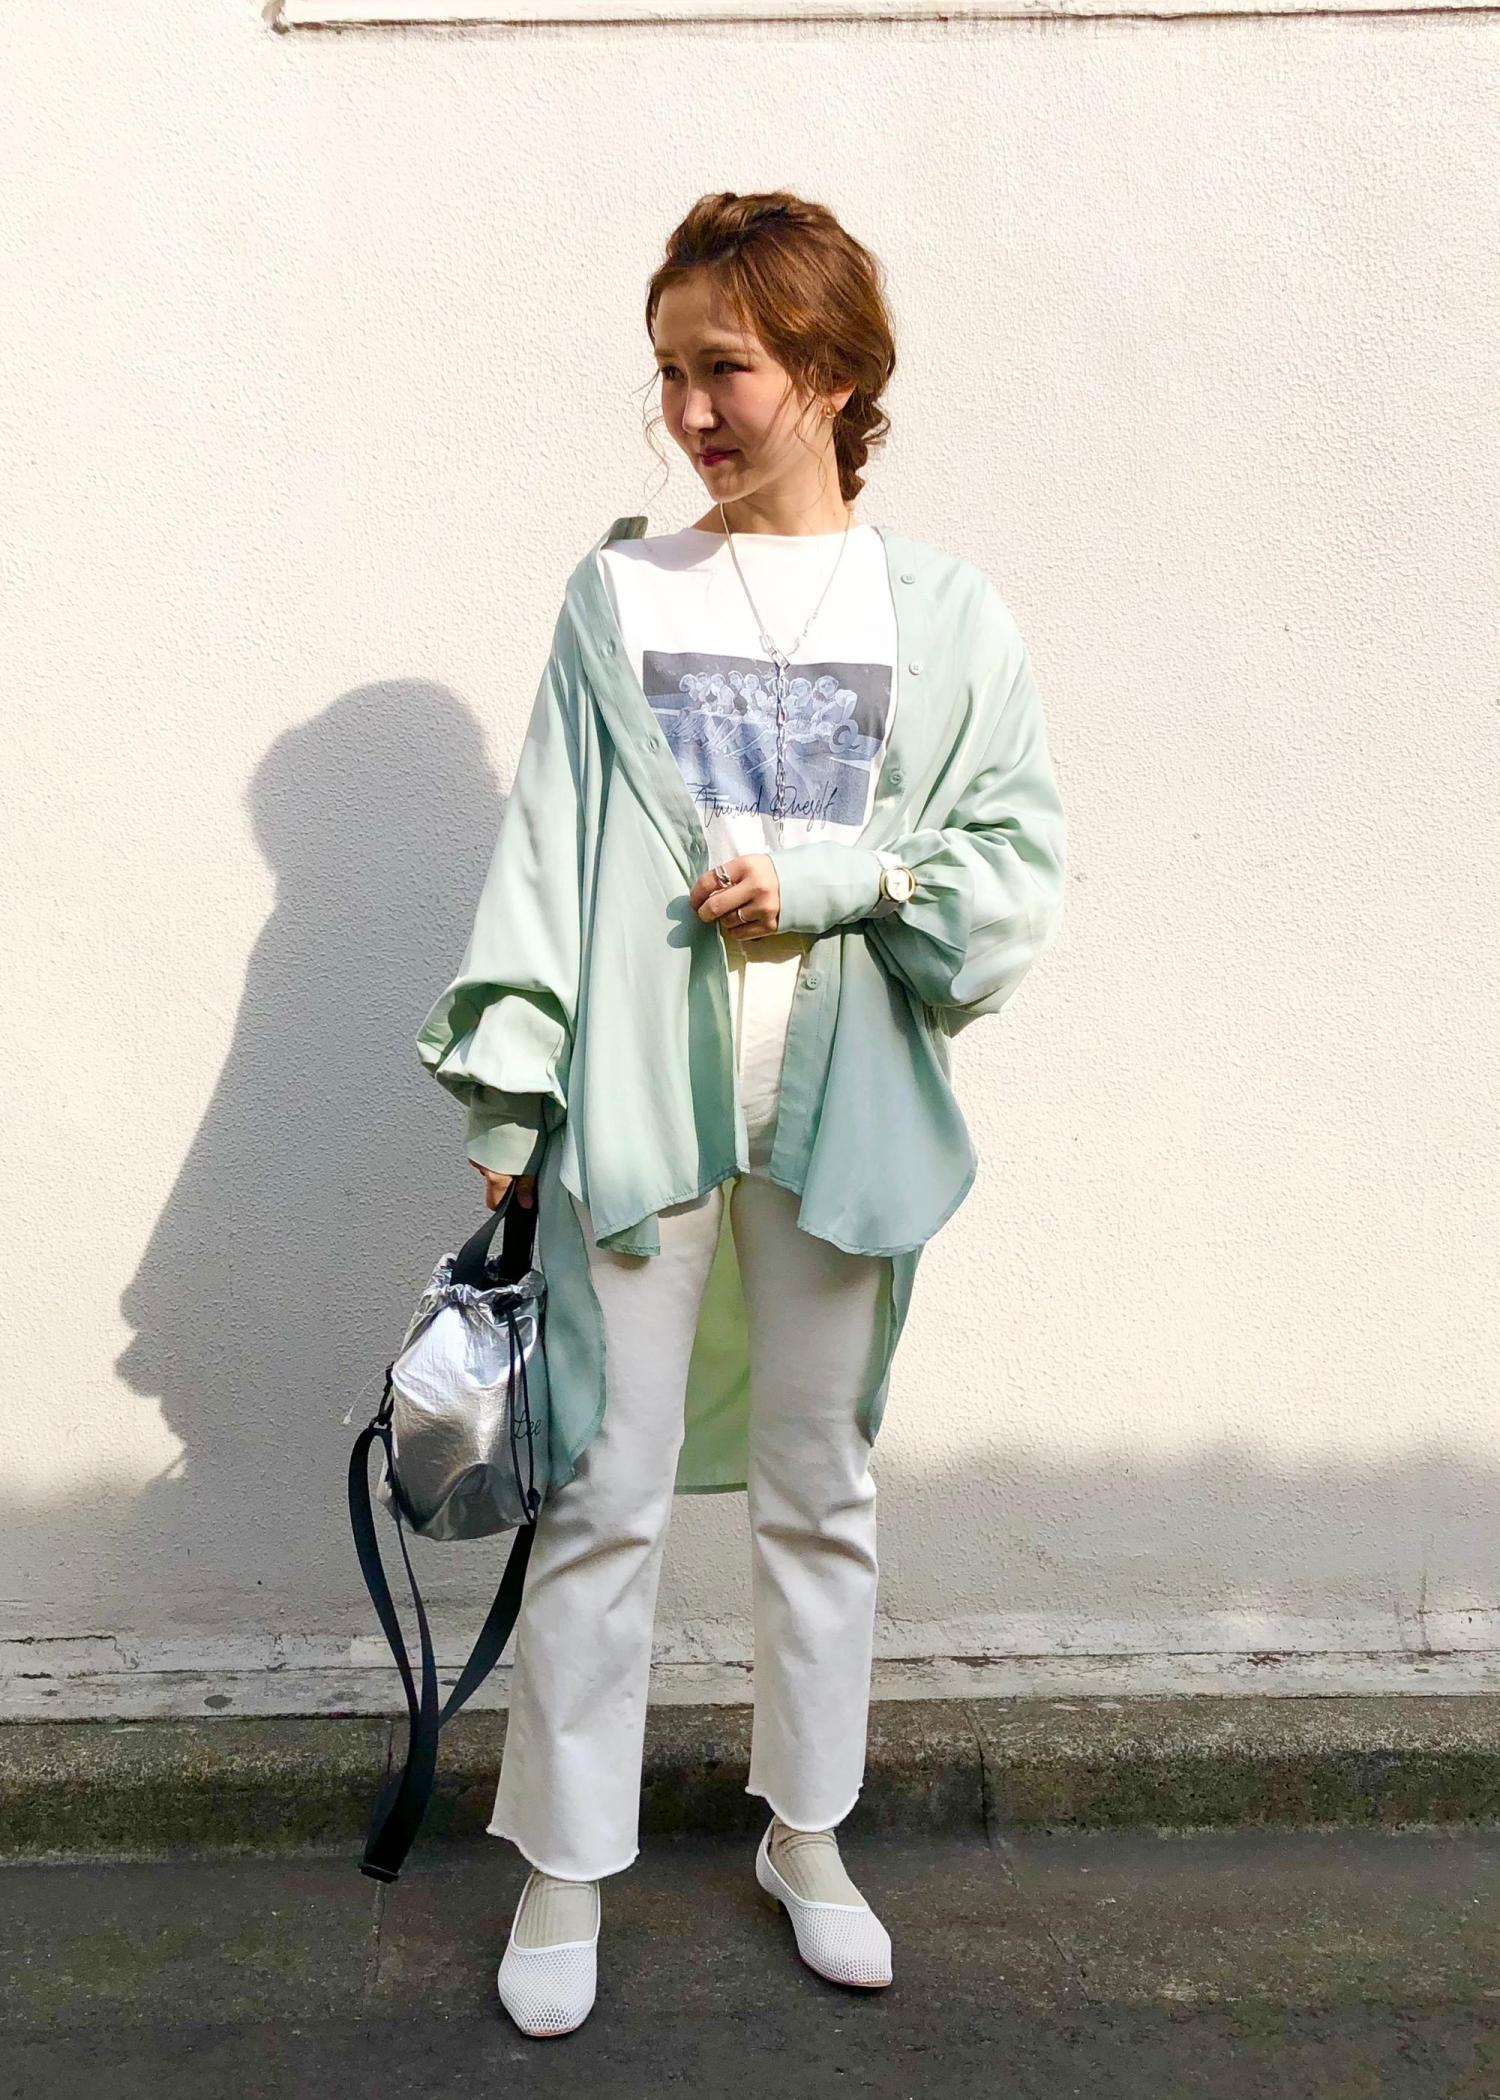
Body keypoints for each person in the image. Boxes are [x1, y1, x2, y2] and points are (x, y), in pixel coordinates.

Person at [415, 187, 1067, 2040]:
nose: (692, 410)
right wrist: (515, 1092)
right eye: (671, 372)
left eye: (730, 368)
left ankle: (809, 1835)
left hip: (842, 1112)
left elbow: (1012, 869)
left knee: (819, 1489)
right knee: (600, 1491)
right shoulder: (622, 596)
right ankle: (564, 1860)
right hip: (642, 1105)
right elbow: (549, 849)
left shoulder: (944, 616)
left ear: (833, 373)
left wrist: (840, 883)